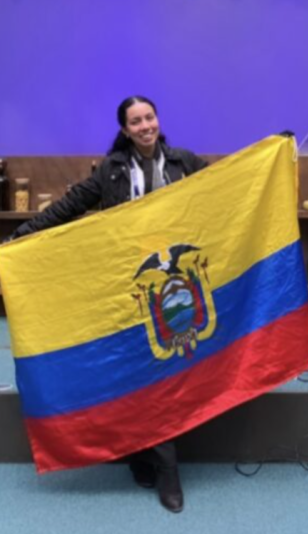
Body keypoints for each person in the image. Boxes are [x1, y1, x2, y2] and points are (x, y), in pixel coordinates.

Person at [7, 96, 208, 513]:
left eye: (149, 117)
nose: (145, 126)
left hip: (175, 288)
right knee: (134, 371)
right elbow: (68, 206)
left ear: (158, 119)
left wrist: (270, 160)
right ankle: (140, 453)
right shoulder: (112, 170)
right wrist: (18, 237)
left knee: (166, 372)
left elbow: (228, 189)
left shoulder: (183, 162)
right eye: (135, 121)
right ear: (125, 128)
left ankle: (167, 468)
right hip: (129, 287)